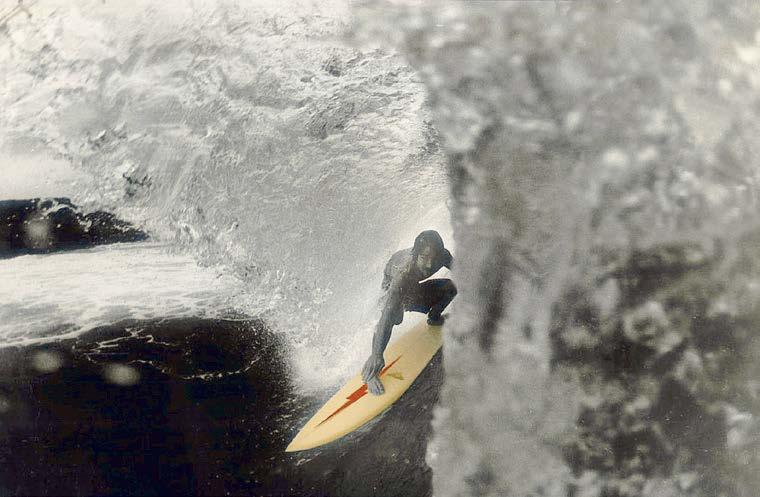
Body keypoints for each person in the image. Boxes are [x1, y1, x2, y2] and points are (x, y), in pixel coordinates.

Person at [361, 230, 457, 395]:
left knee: (451, 288)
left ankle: (434, 318)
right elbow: (385, 319)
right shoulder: (403, 274)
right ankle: (371, 368)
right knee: (393, 317)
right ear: (416, 254)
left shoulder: (443, 256)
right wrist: (377, 356)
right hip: (391, 289)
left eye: (433, 258)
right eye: (424, 258)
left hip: (413, 288)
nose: (429, 265)